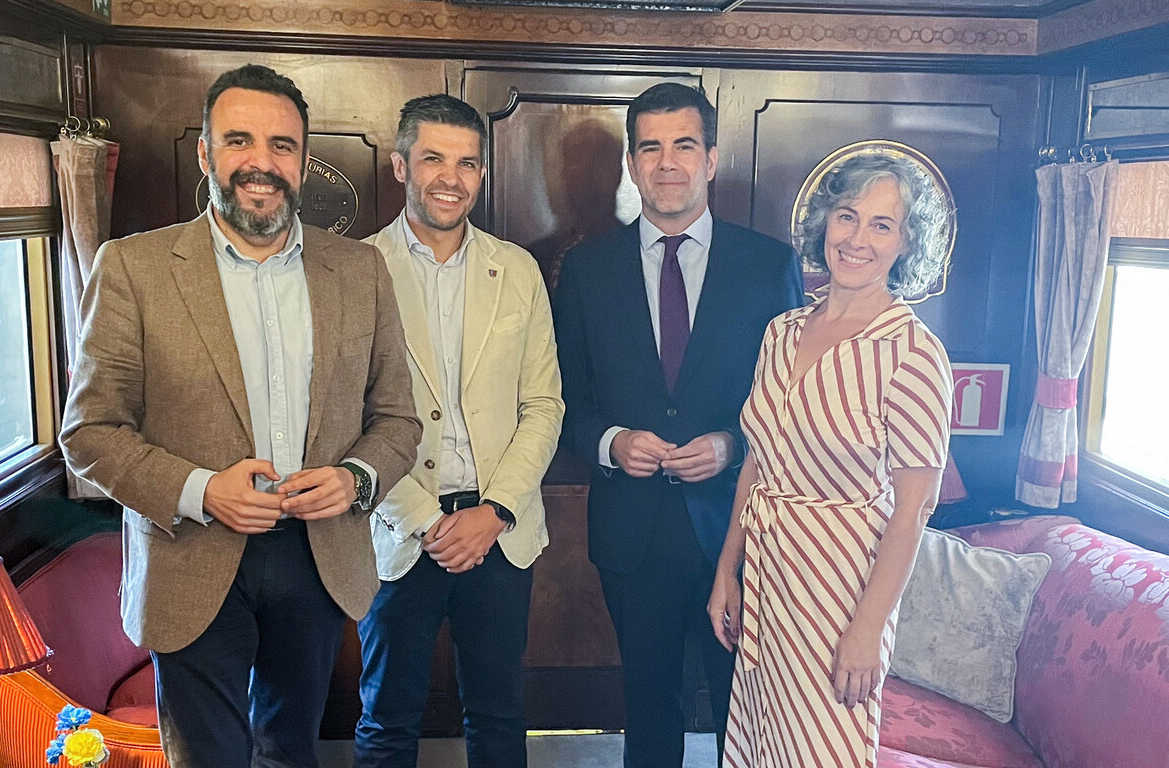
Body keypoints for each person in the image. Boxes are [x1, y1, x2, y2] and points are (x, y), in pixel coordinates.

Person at [59, 64, 421, 768]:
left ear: (304, 162)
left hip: (319, 556)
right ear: (205, 152)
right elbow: (90, 433)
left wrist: (354, 478)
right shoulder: (133, 268)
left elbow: (398, 421)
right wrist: (202, 491)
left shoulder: (359, 271)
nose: (262, 162)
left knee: (291, 752)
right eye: (238, 141)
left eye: (281, 145)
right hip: (189, 555)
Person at [552, 82, 803, 768]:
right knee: (648, 708)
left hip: (739, 529)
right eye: (650, 148)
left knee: (742, 709)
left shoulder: (767, 266)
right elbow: (563, 399)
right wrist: (612, 443)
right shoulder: (586, 270)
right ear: (632, 165)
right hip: (631, 532)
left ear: (711, 159)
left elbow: (793, 404)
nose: (667, 163)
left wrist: (731, 445)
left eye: (684, 145)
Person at [708, 151, 954, 767]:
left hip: (841, 590)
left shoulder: (913, 353)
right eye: (847, 216)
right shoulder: (782, 332)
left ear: (906, 243)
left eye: (882, 224)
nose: (857, 239)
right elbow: (758, 462)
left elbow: (915, 507)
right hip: (767, 576)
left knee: (823, 752)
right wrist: (727, 569)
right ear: (825, 222)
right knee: (762, 745)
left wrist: (868, 629)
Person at [355, 94, 564, 768]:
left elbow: (544, 405)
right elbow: (343, 422)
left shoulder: (518, 270)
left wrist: (495, 510)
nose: (451, 178)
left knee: (499, 716)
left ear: (482, 172)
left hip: (499, 534)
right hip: (396, 531)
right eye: (433, 159)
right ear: (400, 166)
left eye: (467, 163)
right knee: (386, 719)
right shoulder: (355, 271)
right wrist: (423, 520)